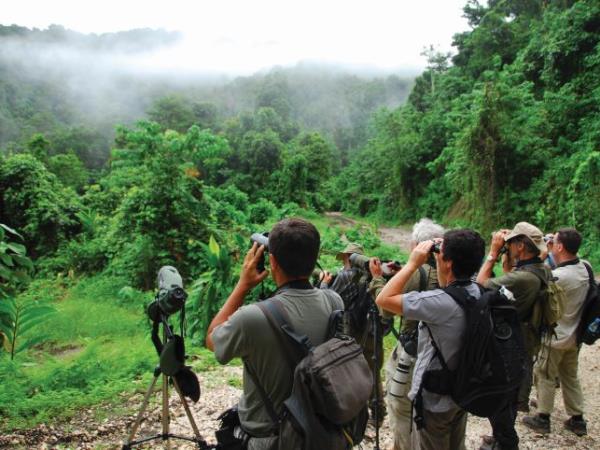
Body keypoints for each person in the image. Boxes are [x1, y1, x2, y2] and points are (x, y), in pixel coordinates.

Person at [206, 218, 344, 450]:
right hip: (321, 433)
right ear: (314, 258)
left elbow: (212, 339)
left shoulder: (251, 318)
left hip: (271, 439)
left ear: (272, 261)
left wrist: (243, 285)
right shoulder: (334, 301)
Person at [376, 229, 485, 450]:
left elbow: (383, 299)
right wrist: (442, 262)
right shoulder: (479, 292)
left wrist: (412, 264)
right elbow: (450, 289)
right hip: (462, 389)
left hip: (435, 400)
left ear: (447, 262)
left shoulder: (438, 303)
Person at [368, 218, 444, 450]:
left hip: (411, 353)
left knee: (401, 409)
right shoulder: (447, 272)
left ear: (418, 245)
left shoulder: (417, 274)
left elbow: (385, 308)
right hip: (440, 353)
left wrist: (378, 279)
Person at [476, 221, 550, 450]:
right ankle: (500, 436)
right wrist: (508, 252)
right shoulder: (540, 269)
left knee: (501, 396)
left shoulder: (524, 279)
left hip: (511, 347)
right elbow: (511, 275)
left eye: (513, 243)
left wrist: (493, 253)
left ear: (520, 245)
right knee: (507, 395)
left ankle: (506, 442)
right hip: (524, 342)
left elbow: (480, 285)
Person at [523, 228, 589, 436]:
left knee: (544, 374)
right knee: (570, 376)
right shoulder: (585, 268)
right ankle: (577, 419)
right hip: (575, 334)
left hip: (555, 336)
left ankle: (543, 417)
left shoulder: (559, 276)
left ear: (559, 246)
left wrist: (543, 252)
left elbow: (538, 278)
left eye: (554, 241)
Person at [320, 242, 386, 425]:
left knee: (352, 372)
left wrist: (324, 284)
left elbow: (328, 299)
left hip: (354, 332)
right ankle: (378, 412)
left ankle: (355, 417)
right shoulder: (374, 275)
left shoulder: (345, 276)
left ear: (348, 258)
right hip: (373, 329)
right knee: (373, 371)